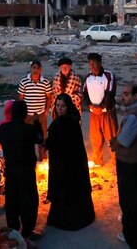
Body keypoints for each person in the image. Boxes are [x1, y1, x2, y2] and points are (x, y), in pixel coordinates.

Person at [45, 94, 95, 231]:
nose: (59, 109)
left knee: (69, 190)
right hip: (64, 163)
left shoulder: (68, 123)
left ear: (68, 107)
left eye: (63, 106)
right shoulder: (64, 121)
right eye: (57, 106)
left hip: (68, 164)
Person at [110, 84, 137, 243]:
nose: (122, 97)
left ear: (136, 96)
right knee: (135, 197)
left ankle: (131, 233)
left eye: (126, 94)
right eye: (122, 94)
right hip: (136, 161)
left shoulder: (135, 116)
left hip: (131, 163)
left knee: (129, 199)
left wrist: (114, 143)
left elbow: (124, 140)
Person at [0, 100, 44, 240]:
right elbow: (40, 139)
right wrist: (36, 122)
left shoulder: (3, 129)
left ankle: (13, 229)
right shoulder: (29, 130)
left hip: (11, 170)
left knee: (12, 199)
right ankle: (28, 230)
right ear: (25, 113)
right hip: (26, 170)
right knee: (28, 200)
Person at [83, 52, 118, 167]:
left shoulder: (108, 75)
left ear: (100, 63)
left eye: (94, 62)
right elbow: (85, 94)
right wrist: (91, 106)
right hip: (94, 114)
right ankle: (97, 161)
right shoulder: (88, 78)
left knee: (112, 137)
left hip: (107, 113)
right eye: (90, 63)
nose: (92, 65)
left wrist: (102, 107)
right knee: (95, 138)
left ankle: (116, 161)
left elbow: (110, 93)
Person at [18, 60, 54, 160]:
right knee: (27, 138)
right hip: (28, 115)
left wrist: (46, 111)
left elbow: (49, 97)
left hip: (40, 114)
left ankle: (43, 160)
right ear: (31, 69)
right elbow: (20, 98)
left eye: (37, 68)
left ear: (40, 69)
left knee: (42, 138)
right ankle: (28, 159)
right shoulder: (24, 81)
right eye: (34, 68)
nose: (35, 70)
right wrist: (21, 113)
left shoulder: (45, 82)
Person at [52, 57, 83, 122]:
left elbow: (79, 94)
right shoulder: (56, 77)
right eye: (62, 67)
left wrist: (67, 101)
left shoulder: (76, 78)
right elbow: (54, 93)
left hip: (72, 106)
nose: (64, 69)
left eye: (66, 67)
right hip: (59, 107)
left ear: (70, 67)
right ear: (60, 68)